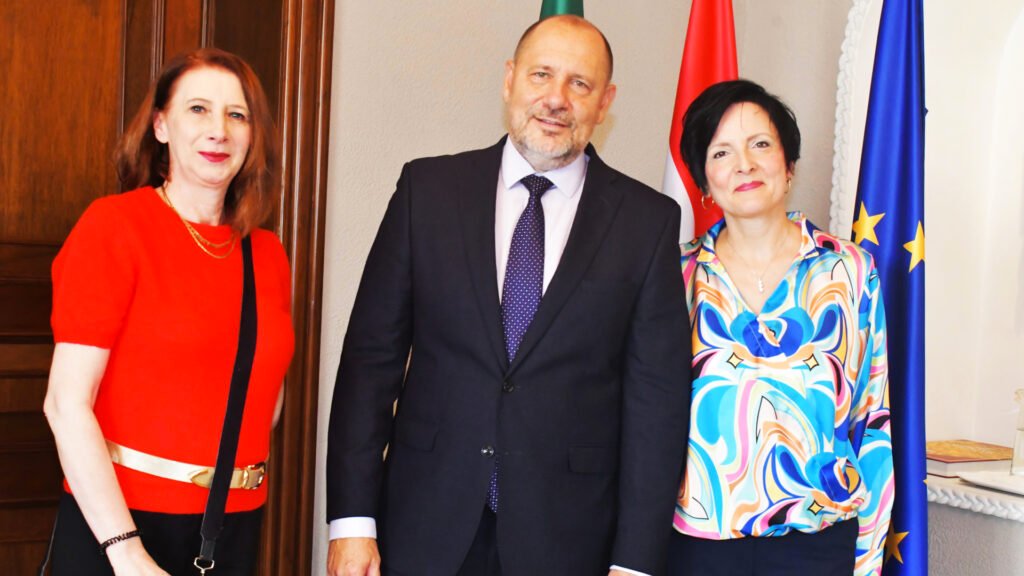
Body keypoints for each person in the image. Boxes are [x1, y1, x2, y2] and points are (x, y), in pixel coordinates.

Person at [325, 15, 691, 576]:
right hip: (423, 526)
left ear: (605, 103)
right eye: (541, 74)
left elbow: (656, 404)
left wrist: (635, 562)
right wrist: (352, 522)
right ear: (509, 79)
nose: (556, 98)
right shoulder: (427, 192)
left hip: (568, 541)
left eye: (580, 83)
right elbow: (369, 364)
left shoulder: (647, 223)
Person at [43, 48, 294, 575]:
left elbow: (264, 400)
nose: (218, 130)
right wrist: (127, 552)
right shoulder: (114, 228)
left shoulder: (267, 254)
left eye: (237, 115)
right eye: (198, 109)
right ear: (161, 125)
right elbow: (66, 404)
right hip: (121, 527)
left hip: (233, 525)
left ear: (253, 136)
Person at [671, 79, 893, 576]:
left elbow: (872, 416)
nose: (744, 164)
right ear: (704, 181)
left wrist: (868, 558)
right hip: (697, 547)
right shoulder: (675, 275)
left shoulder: (848, 270)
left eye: (760, 145)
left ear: (788, 165)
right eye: (721, 152)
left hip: (817, 545)